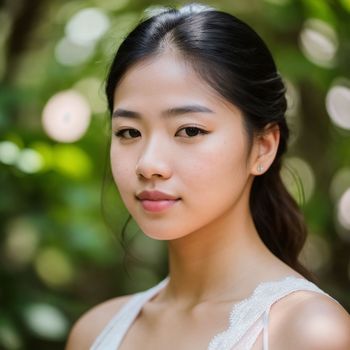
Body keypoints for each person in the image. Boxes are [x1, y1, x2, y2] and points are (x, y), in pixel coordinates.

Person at [66, 3, 350, 349]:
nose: (148, 163)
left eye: (189, 130)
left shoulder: (306, 330)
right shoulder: (95, 332)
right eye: (128, 132)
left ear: (262, 147)